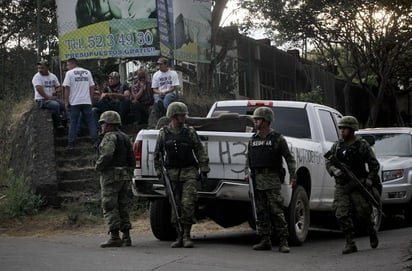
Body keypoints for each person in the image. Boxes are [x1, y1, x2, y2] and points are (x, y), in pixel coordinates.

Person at [153, 102, 209, 248]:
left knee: (188, 203)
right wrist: (159, 172)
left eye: (184, 115)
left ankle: (187, 235)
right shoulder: (163, 133)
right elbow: (157, 155)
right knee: (175, 205)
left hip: (189, 171)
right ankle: (179, 235)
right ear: (173, 116)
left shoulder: (190, 132)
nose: (184, 117)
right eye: (181, 115)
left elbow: (199, 151)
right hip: (172, 173)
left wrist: (203, 169)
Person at [325, 116, 380, 254]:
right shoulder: (337, 145)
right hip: (342, 185)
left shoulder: (362, 145)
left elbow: (374, 165)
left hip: (357, 183)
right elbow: (329, 162)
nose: (342, 131)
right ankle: (350, 243)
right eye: (341, 128)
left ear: (352, 129)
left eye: (345, 128)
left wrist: (369, 179)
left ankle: (371, 231)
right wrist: (334, 170)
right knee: (341, 213)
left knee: (363, 213)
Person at [246, 106, 296, 253]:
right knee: (261, 211)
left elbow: (289, 158)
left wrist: (293, 174)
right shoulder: (253, 140)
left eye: (258, 119)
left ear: (266, 121)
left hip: (272, 179)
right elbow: (249, 158)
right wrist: (246, 172)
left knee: (276, 211)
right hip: (257, 179)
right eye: (255, 119)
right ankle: (265, 239)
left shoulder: (277, 138)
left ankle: (283, 241)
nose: (255, 121)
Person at [95, 110, 135, 248]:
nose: (102, 126)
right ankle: (127, 236)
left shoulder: (109, 137)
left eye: (103, 123)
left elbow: (107, 155)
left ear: (109, 124)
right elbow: (131, 157)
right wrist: (130, 172)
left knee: (109, 205)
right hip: (124, 176)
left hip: (111, 175)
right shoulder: (125, 137)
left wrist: (98, 166)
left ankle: (114, 236)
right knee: (123, 205)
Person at [63, 58, 99, 149]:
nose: (67, 67)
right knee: (91, 122)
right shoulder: (87, 72)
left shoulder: (69, 73)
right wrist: (90, 98)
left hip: (75, 102)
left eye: (68, 65)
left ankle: (71, 144)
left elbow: (67, 88)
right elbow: (92, 86)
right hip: (86, 101)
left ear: (72, 64)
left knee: (73, 123)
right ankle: (95, 141)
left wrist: (66, 102)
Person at [32, 60, 66, 129]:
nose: (40, 70)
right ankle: (58, 124)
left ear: (47, 68)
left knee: (64, 105)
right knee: (55, 105)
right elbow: (38, 88)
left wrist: (57, 91)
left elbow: (58, 87)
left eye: (42, 68)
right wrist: (48, 97)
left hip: (52, 98)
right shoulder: (37, 77)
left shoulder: (53, 76)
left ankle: (67, 121)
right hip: (41, 100)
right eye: (39, 68)